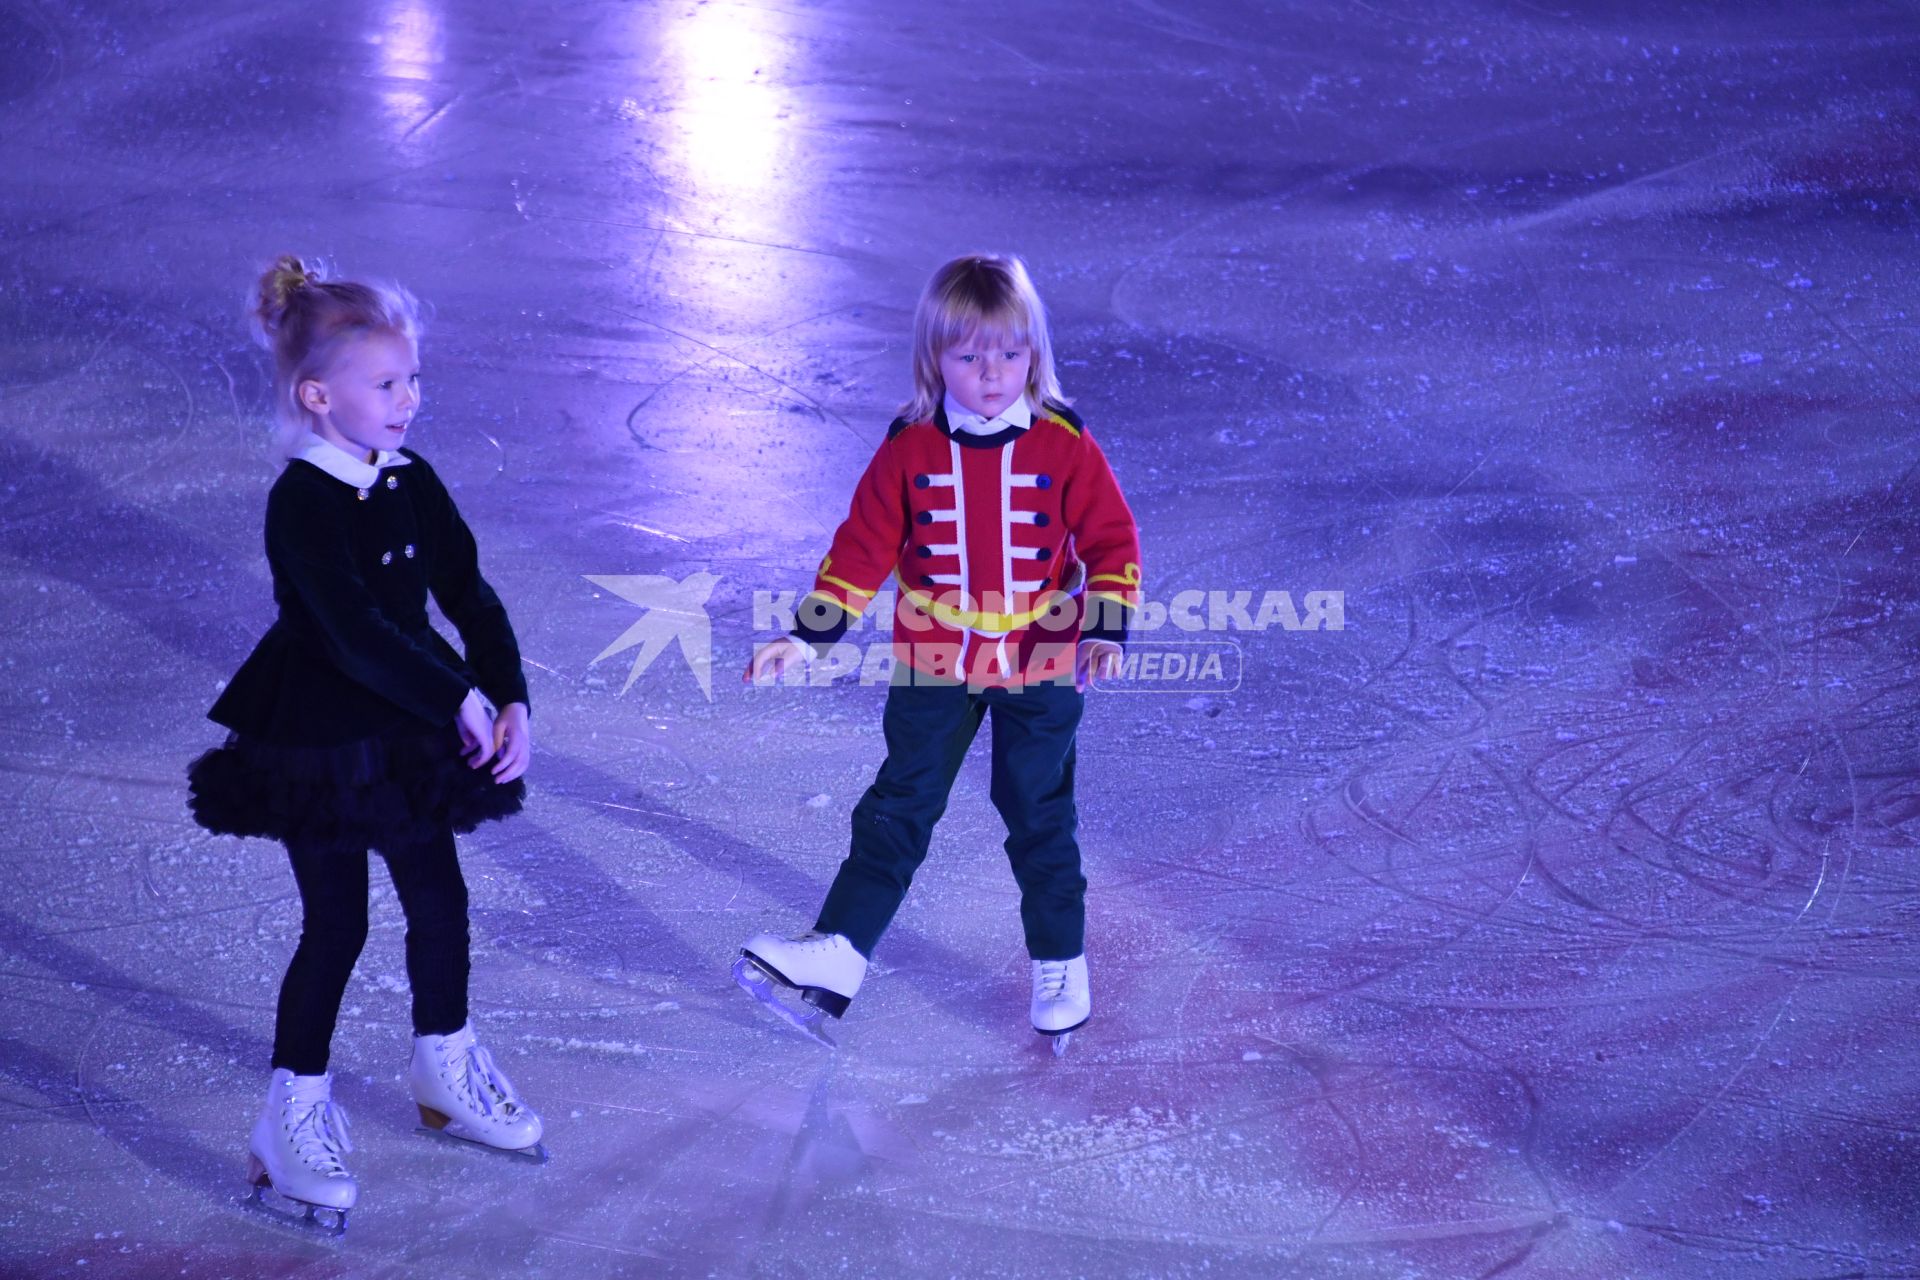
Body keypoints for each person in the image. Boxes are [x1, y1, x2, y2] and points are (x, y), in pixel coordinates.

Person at [188, 255, 543, 1230]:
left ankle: (444, 1060)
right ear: (318, 394)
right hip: (318, 735)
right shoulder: (300, 500)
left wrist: (508, 694)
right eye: (387, 383)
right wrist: (455, 697)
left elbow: (466, 593)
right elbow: (347, 630)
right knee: (335, 924)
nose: (408, 399)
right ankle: (290, 1112)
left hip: (407, 718)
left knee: (441, 897)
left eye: (412, 378)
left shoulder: (410, 476)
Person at [734, 253, 1142, 1055]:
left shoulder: (1064, 444)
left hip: (1042, 659)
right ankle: (840, 952)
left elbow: (1110, 536)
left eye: (1010, 354)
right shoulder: (908, 448)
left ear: (1034, 354)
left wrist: (1103, 625)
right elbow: (859, 550)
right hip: (933, 659)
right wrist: (807, 634)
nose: (992, 374)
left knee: (1038, 812)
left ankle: (1060, 961)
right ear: (933, 360)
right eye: (969, 356)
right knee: (900, 804)